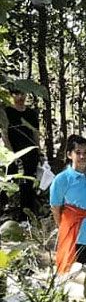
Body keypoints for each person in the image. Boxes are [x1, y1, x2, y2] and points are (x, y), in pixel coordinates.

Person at [50, 135, 86, 272]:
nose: (82, 156)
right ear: (70, 154)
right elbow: (55, 208)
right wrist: (64, 227)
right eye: (78, 152)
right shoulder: (61, 179)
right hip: (75, 233)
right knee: (74, 272)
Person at [1, 86, 40, 221]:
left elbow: (35, 133)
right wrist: (12, 154)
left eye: (22, 93)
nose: (20, 97)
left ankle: (28, 217)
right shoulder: (7, 112)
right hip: (14, 155)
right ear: (11, 95)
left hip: (31, 154)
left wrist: (38, 151)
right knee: (10, 185)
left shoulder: (31, 113)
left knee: (29, 186)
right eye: (17, 94)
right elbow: (4, 134)